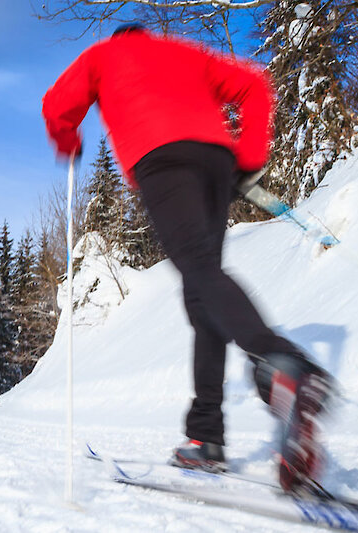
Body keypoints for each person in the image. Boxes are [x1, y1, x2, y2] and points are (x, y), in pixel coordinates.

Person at [42, 23, 334, 492]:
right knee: (203, 290)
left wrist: (68, 141)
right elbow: (255, 83)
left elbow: (57, 105)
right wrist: (249, 156)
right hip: (216, 161)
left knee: (199, 269)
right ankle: (206, 438)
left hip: (162, 159)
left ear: (120, 39)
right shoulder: (184, 52)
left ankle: (279, 362)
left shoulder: (103, 56)